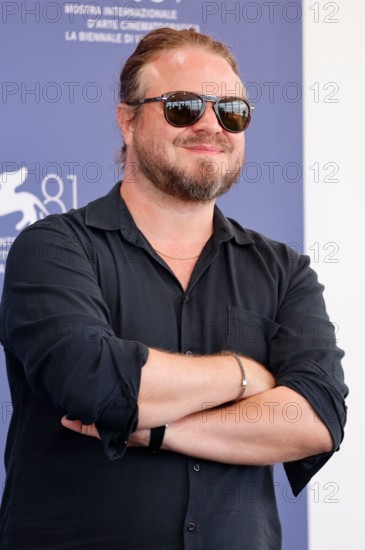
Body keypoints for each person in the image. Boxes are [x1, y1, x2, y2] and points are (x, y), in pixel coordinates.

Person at [0, 28, 347, 549]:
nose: (211, 124)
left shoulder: (284, 270)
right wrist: (244, 375)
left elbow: (315, 417)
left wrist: (158, 431)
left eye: (231, 110)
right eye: (183, 106)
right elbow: (96, 385)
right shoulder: (52, 248)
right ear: (128, 119)